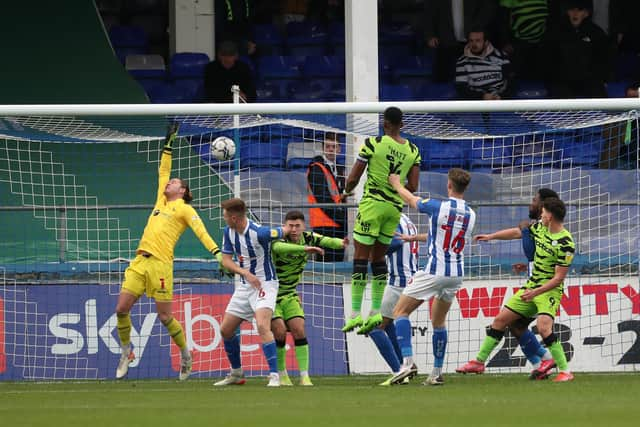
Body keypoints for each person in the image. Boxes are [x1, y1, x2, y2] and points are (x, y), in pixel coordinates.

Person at [115, 123, 223, 381]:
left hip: (162, 265)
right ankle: (126, 351)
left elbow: (201, 231)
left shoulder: (184, 209)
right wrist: (168, 144)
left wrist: (217, 253)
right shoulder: (160, 201)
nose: (169, 183)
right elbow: (163, 170)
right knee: (121, 309)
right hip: (140, 261)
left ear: (182, 191)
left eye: (174, 182)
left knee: (165, 316)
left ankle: (186, 355)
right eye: (170, 181)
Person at [457, 197, 575, 382]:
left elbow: (559, 278)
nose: (541, 215)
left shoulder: (566, 242)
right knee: (500, 320)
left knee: (544, 328)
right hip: (531, 286)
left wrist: (536, 292)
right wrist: (491, 236)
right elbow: (515, 232)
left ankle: (565, 372)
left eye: (543, 212)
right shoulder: (540, 228)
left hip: (548, 291)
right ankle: (479, 362)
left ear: (550, 215)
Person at [213, 198, 320, 387]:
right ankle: (237, 373)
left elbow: (284, 230)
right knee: (225, 329)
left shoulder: (259, 232)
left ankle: (275, 376)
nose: (224, 219)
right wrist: (245, 272)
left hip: (266, 285)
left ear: (235, 217)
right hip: (246, 284)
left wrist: (302, 244)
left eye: (226, 216)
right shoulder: (228, 232)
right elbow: (226, 260)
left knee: (263, 326)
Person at [387, 168, 476, 386]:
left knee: (400, 311)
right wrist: (414, 237)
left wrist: (396, 184)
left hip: (435, 271)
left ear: (449, 185)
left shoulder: (439, 206)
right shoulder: (471, 214)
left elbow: (411, 199)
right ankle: (436, 373)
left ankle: (407, 363)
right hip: (456, 275)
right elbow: (445, 234)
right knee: (438, 322)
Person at [341, 107, 422, 336]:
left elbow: (354, 177)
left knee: (360, 257)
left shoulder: (373, 144)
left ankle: (355, 313)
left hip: (372, 206)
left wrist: (346, 190)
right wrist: (394, 192)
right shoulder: (413, 150)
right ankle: (376, 310)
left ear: (384, 123)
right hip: (394, 210)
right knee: (378, 259)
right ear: (402, 124)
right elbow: (413, 187)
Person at [271, 210, 347, 386]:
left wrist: (340, 243)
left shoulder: (309, 237)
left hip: (290, 294)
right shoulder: (279, 239)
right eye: (290, 226)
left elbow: (326, 240)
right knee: (280, 330)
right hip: (270, 295)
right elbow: (278, 248)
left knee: (299, 329)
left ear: (303, 226)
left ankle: (304, 376)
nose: (294, 229)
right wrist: (305, 249)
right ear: (285, 226)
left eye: (297, 226)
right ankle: (282, 374)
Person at [371, 214, 427, 386]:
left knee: (373, 327)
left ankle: (399, 372)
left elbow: (395, 242)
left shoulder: (390, 219)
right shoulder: (406, 219)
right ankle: (406, 364)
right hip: (410, 278)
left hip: (399, 282)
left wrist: (372, 253)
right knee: (388, 323)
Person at [544, 0, 611, 98]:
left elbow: (603, 59)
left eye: (579, 10)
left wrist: (601, 79)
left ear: (586, 13)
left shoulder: (596, 33)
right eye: (572, 10)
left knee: (600, 94)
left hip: (588, 80)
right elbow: (547, 59)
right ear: (567, 12)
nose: (575, 13)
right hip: (561, 81)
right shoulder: (555, 32)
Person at [423, 0, 498, 82]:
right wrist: (430, 35)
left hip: (472, 43)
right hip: (445, 42)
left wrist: (477, 29)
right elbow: (429, 14)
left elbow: (487, 10)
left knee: (476, 79)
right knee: (441, 79)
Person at [306, 132, 348, 262]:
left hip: (338, 224)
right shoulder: (316, 168)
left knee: (338, 263)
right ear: (323, 148)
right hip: (324, 224)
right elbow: (322, 198)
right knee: (326, 266)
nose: (331, 149)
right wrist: (342, 220)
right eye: (328, 146)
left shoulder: (341, 169)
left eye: (334, 147)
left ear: (339, 149)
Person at [455, 29, 513, 100]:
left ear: (486, 42)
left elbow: (511, 82)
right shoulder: (462, 62)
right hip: (477, 103)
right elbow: (462, 89)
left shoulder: (501, 56)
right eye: (471, 41)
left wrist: (501, 96)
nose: (474, 44)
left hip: (501, 100)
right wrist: (482, 96)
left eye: (478, 40)